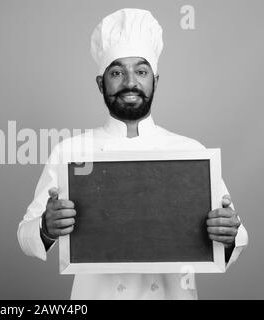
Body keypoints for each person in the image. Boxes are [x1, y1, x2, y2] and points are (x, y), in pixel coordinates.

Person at [17, 8, 248, 299]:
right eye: (117, 72)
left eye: (140, 71)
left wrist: (227, 233)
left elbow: (236, 239)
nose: (130, 82)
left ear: (155, 81)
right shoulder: (71, 151)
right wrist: (46, 228)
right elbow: (26, 234)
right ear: (101, 83)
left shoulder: (190, 152)